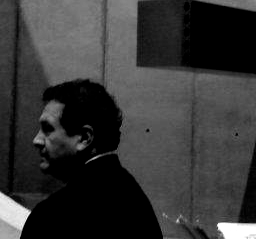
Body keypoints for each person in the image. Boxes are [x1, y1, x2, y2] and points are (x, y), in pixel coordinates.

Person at [21, 79, 161, 239]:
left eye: (47, 129)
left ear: (84, 138)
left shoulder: (52, 216)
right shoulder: (133, 196)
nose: (36, 140)